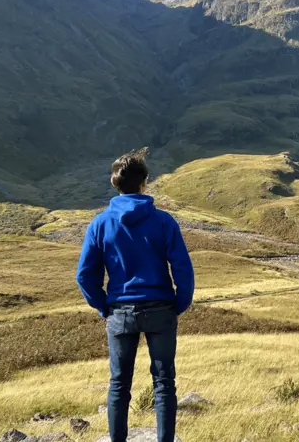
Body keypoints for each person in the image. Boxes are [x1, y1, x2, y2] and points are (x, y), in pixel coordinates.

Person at [76, 149, 194, 442]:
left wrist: (104, 306)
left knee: (119, 384)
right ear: (145, 182)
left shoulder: (100, 224)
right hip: (160, 309)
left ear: (115, 184)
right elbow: (182, 267)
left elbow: (85, 275)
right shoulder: (164, 221)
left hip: (120, 312)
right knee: (164, 383)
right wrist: (179, 303)